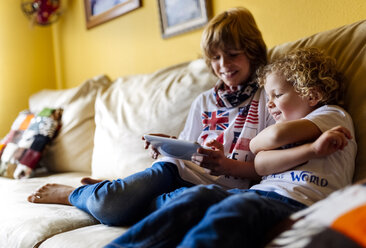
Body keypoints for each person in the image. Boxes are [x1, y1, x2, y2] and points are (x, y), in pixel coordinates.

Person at [28, 7, 273, 228]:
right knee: (109, 207)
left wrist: (228, 165)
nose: (223, 65)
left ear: (252, 52)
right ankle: (75, 194)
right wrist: (168, 145)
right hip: (175, 172)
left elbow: (272, 168)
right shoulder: (205, 100)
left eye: (232, 54)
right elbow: (190, 150)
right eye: (216, 57)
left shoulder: (268, 99)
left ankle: (113, 189)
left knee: (151, 210)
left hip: (215, 191)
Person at [102, 47, 357, 248]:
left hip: (299, 205)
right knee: (199, 196)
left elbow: (274, 136)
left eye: (277, 96)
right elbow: (259, 163)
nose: (269, 105)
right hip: (260, 194)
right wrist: (310, 151)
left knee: (232, 211)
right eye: (267, 98)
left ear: (311, 95)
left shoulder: (333, 116)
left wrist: (271, 144)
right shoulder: (294, 129)